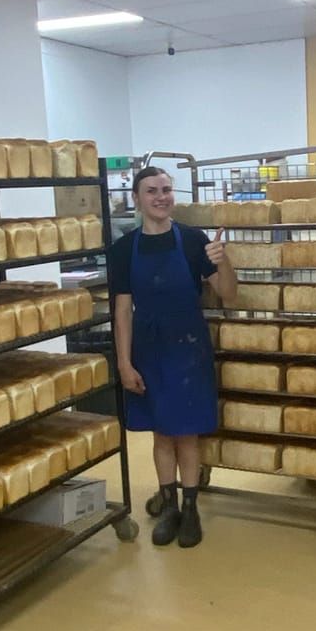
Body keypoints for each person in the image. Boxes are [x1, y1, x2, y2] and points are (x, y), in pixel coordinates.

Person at [110, 165, 235, 547]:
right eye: (152, 190)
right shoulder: (123, 249)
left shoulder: (194, 240)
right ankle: (169, 506)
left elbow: (229, 292)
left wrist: (222, 259)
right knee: (162, 431)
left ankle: (192, 507)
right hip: (149, 348)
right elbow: (121, 311)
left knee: (186, 432)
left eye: (166, 189)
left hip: (188, 346)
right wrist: (124, 362)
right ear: (136, 198)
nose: (161, 196)